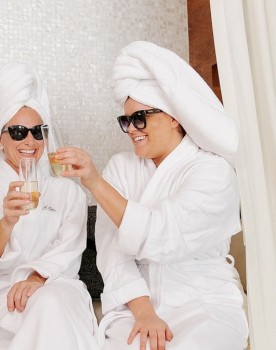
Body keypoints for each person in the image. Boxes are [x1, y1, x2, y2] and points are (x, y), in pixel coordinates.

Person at [56, 41, 249, 350]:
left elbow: (163, 234)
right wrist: (144, 313)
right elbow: (111, 250)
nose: (132, 129)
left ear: (174, 116)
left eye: (140, 117)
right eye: (126, 120)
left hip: (204, 302)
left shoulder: (213, 172)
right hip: (137, 306)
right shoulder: (121, 166)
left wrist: (95, 183)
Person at [0, 62, 100, 350]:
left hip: (57, 287)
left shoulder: (68, 191)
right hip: (4, 296)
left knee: (50, 301)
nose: (31, 141)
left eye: (38, 131)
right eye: (19, 131)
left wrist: (37, 277)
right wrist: (5, 223)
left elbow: (70, 252)